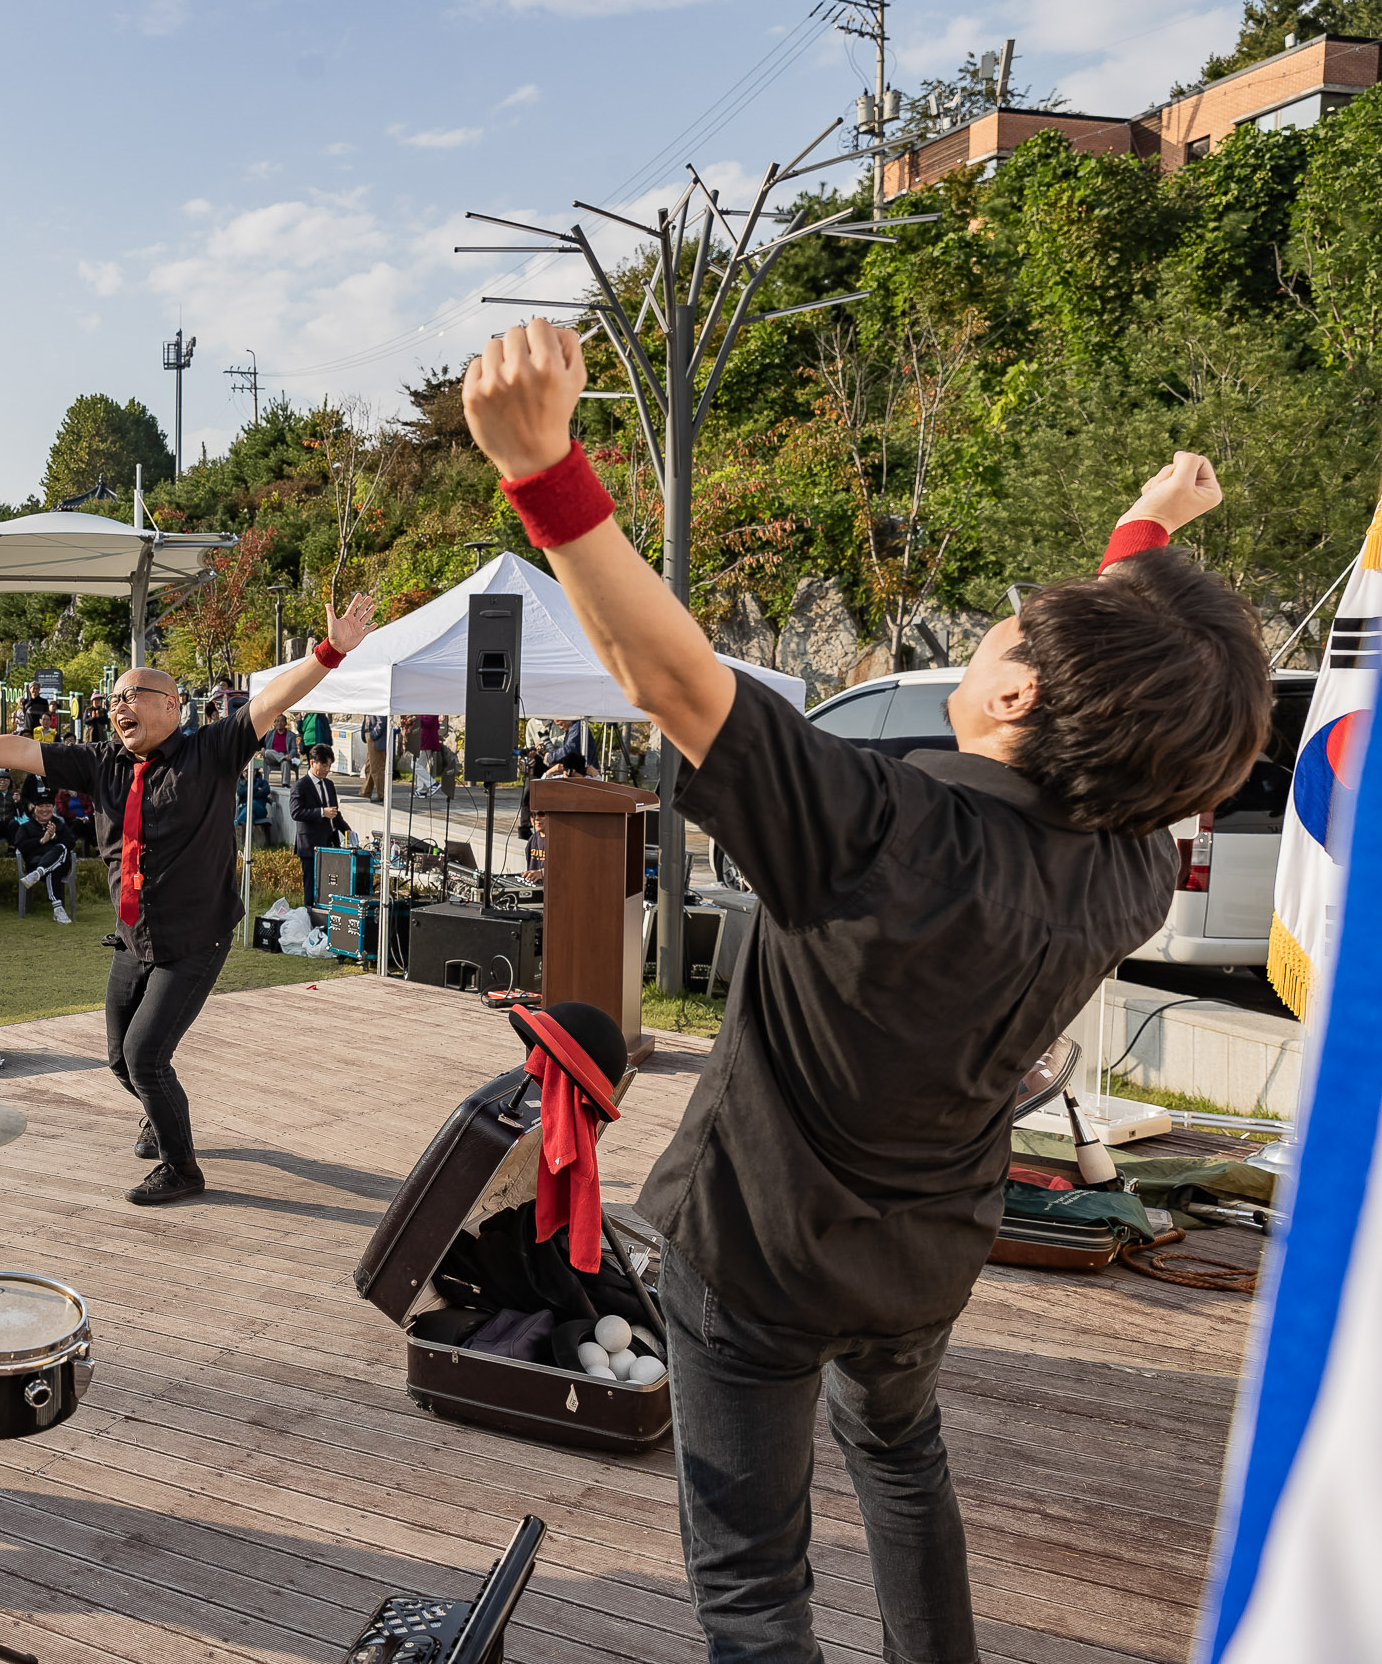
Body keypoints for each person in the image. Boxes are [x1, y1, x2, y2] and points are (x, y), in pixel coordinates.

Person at [462, 319, 1268, 1659]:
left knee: (755, 1582)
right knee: (903, 1460)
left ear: (1009, 688)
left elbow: (668, 675)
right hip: (929, 1249)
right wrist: (1142, 535)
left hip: (759, 1256)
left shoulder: (880, 832)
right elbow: (1144, 722)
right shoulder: (1127, 863)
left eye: (1009, 630)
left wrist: (543, 465)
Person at [0, 591, 376, 1205]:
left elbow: (272, 699)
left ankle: (183, 1168)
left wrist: (331, 650)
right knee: (120, 1062)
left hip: (193, 938)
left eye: (136, 694)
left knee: (146, 1056)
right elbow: (18, 751)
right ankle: (160, 1116)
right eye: (116, 697)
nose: (121, 704)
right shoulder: (103, 762)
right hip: (133, 936)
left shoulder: (212, 749)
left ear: (174, 706)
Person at [13, 799, 74, 925]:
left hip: (62, 864)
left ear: (53, 808)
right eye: (41, 806)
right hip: (35, 863)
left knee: (62, 847)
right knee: (53, 867)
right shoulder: (26, 827)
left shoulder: (60, 824)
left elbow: (71, 843)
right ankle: (58, 908)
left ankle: (39, 872)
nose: (45, 809)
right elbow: (21, 845)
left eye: (48, 806)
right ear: (34, 808)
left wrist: (54, 837)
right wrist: (42, 840)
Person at [290, 744, 348, 861]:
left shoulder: (329, 784)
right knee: (311, 879)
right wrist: (321, 812)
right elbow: (296, 812)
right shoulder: (300, 786)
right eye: (324, 765)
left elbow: (334, 813)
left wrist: (348, 832)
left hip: (330, 842)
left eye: (329, 765)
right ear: (312, 763)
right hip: (310, 845)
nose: (327, 769)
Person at [356, 712, 387, 800]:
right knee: (370, 766)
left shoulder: (377, 703)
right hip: (370, 734)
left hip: (374, 736)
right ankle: (365, 791)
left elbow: (381, 721)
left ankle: (382, 794)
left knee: (376, 767)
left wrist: (373, 734)